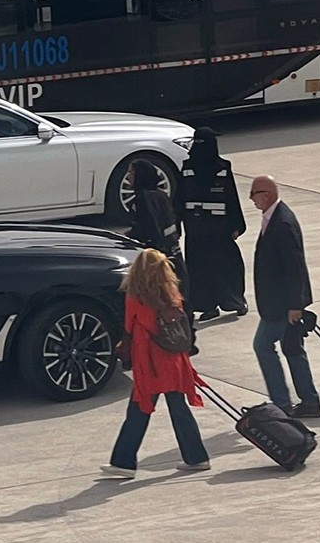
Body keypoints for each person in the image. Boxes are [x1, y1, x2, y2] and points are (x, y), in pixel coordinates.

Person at [100, 249, 211, 479]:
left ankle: (124, 461)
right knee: (178, 408)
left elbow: (130, 327)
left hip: (150, 361)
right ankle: (196, 456)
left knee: (139, 408)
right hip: (174, 360)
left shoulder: (135, 297)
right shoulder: (172, 294)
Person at [248, 175, 320, 418]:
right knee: (292, 348)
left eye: (254, 195)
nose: (252, 200)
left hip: (281, 304)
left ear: (266, 195)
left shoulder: (282, 223)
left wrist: (294, 304)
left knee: (263, 345)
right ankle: (309, 401)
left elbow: (295, 266)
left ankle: (281, 402)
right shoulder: (273, 218)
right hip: (279, 302)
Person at [177, 127, 249, 322]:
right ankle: (207, 306)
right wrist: (176, 225)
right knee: (199, 270)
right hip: (196, 230)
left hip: (220, 229)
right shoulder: (186, 169)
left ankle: (235, 301)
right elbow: (179, 198)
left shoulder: (223, 168)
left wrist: (237, 225)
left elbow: (231, 197)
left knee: (228, 266)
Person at [127, 159, 197, 354]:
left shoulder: (142, 199)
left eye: (131, 173)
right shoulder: (161, 196)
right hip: (174, 254)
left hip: (159, 259)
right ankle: (188, 338)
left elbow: (148, 229)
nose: (129, 178)